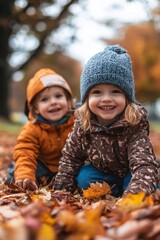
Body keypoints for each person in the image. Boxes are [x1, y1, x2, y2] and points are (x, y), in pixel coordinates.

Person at [53, 45, 159, 197]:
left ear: (127, 97)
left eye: (115, 91)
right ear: (87, 99)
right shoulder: (83, 125)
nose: (107, 99)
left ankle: (131, 190)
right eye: (97, 92)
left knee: (145, 178)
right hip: (104, 173)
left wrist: (133, 197)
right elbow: (70, 158)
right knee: (85, 178)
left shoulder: (134, 124)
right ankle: (116, 190)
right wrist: (62, 188)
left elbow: (142, 164)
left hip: (131, 171)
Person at [12, 68, 75, 190]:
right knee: (23, 170)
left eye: (58, 96)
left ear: (68, 100)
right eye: (44, 99)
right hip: (44, 166)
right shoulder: (32, 128)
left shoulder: (77, 122)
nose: (53, 102)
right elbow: (25, 151)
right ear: (35, 108)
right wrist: (25, 175)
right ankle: (24, 178)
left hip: (69, 167)